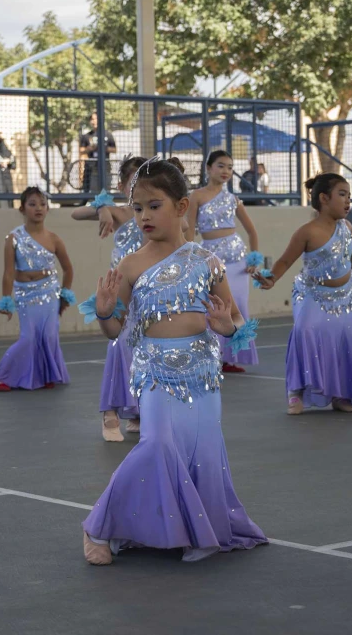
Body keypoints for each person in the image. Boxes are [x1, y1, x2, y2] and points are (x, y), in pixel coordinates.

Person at [80, 157, 266, 564]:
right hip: (155, 375)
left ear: (182, 208)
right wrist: (105, 311)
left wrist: (225, 326)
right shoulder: (129, 266)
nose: (143, 215)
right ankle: (98, 525)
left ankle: (197, 529)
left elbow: (234, 321)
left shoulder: (208, 263)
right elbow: (115, 335)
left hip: (201, 374)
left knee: (201, 452)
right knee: (158, 445)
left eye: (154, 205)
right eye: (137, 207)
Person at [256, 173, 352, 414]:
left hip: (345, 298)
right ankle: (296, 392)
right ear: (324, 198)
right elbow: (284, 261)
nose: (348, 202)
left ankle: (341, 394)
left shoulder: (346, 227)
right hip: (313, 295)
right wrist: (271, 279)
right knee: (305, 333)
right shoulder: (307, 232)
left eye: (349, 196)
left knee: (346, 340)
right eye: (342, 195)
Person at [72, 156, 147, 442]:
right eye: (134, 181)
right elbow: (75, 215)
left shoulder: (154, 214)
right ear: (122, 184)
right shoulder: (119, 212)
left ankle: (136, 411)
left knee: (142, 348)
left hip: (148, 290)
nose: (140, 186)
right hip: (121, 289)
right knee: (118, 344)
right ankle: (110, 412)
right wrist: (103, 207)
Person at [0, 187, 74, 391]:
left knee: (49, 336)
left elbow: (68, 269)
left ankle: (45, 376)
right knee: (28, 338)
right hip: (25, 294)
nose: (38, 209)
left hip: (49, 292)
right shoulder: (13, 239)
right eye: (32, 204)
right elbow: (8, 273)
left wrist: (64, 296)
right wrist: (6, 301)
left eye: (43, 204)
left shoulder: (54, 239)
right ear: (22, 209)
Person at [187, 151, 263, 373]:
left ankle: (232, 358)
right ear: (208, 168)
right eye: (221, 166)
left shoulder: (233, 199)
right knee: (212, 306)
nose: (226, 171)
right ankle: (212, 356)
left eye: (230, 167)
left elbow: (252, 231)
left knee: (237, 305)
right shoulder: (196, 196)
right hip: (210, 258)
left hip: (237, 260)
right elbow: (190, 229)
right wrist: (188, 258)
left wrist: (254, 259)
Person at [79, 112, 117, 195]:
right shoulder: (86, 136)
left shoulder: (108, 134)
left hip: (105, 165)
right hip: (92, 167)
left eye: (96, 119)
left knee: (106, 189)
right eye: (92, 119)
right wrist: (91, 148)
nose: (94, 121)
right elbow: (81, 150)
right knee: (94, 190)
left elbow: (114, 149)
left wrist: (104, 148)